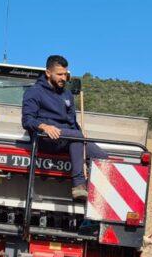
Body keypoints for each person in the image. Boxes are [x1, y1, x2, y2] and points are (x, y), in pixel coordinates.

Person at [21, 55, 107, 200]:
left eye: (65, 74)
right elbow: (27, 120)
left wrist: (82, 135)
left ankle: (96, 201)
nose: (63, 78)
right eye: (59, 74)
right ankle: (78, 185)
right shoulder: (34, 91)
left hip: (67, 138)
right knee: (76, 136)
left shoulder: (67, 94)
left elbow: (72, 122)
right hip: (46, 139)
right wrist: (43, 126)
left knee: (104, 159)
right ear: (48, 73)